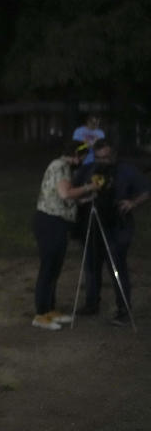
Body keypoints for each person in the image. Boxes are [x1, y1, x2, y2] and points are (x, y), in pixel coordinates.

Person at [74, 139, 150, 325]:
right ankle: (91, 303)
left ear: (113, 155)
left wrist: (132, 203)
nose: (102, 161)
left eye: (106, 157)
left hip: (118, 225)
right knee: (91, 265)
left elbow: (146, 190)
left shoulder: (127, 170)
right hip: (92, 223)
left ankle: (123, 308)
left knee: (117, 265)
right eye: (99, 157)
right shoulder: (89, 169)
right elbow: (75, 189)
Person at [31, 142, 97, 330]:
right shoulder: (60, 166)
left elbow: (64, 198)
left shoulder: (63, 167)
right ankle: (40, 314)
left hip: (58, 222)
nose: (82, 162)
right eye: (82, 157)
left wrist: (84, 198)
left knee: (55, 267)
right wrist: (89, 187)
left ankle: (50, 309)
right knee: (48, 267)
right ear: (76, 155)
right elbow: (65, 193)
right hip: (49, 222)